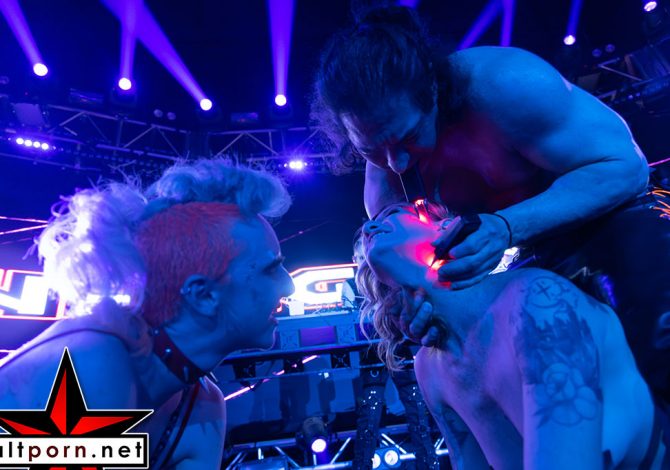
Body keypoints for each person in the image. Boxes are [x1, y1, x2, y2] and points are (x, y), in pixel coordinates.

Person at [312, 6, 670, 404]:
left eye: (408, 136)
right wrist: (418, 312)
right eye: (371, 150)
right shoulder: (386, 187)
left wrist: (506, 226)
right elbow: (417, 287)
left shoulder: (506, 84)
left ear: (433, 91)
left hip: (620, 220)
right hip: (531, 260)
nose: (396, 162)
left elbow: (625, 168)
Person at [0, 159, 295, 468]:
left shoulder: (203, 406)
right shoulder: (93, 359)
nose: (288, 285)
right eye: (271, 268)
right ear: (203, 295)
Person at [355, 201, 668, 469]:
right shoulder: (429, 367)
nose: (370, 227)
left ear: (445, 226)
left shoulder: (536, 303)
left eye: (392, 213)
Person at [342, 238, 439, 469]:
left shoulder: (388, 279)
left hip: (398, 348)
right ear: (354, 260)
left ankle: (428, 464)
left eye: (366, 257)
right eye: (360, 258)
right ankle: (362, 465)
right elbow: (348, 322)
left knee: (417, 409)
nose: (364, 262)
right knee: (369, 414)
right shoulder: (351, 285)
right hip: (372, 353)